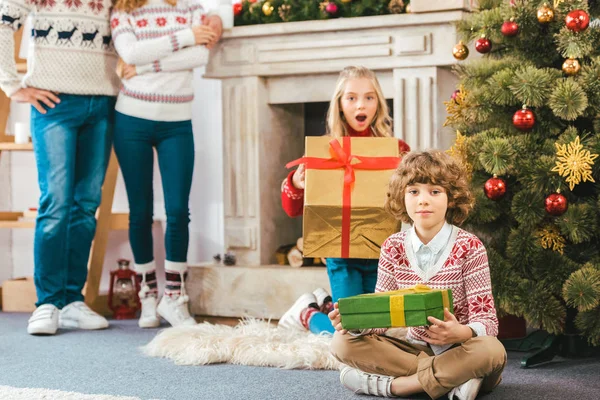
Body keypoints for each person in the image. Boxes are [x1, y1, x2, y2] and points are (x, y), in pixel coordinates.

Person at [328, 150, 507, 400]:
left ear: (451, 199)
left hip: (464, 348)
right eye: (414, 192)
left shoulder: (470, 246)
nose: (423, 200)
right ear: (403, 197)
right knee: (341, 342)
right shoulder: (393, 246)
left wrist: (461, 332)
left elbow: (488, 321)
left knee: (491, 351)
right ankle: (456, 380)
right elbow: (382, 317)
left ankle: (398, 387)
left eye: (435, 191)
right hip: (416, 352)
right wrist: (356, 324)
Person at [1, 0, 121, 335]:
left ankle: (72, 300)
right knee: (55, 202)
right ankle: (47, 303)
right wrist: (11, 85)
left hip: (103, 102)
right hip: (53, 103)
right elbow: (2, 19)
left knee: (86, 204)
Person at [110, 0, 222, 328]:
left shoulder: (189, 7)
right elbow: (129, 53)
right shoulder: (124, 9)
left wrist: (145, 66)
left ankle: (174, 298)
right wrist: (185, 37)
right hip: (131, 120)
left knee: (177, 211)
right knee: (140, 212)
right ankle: (148, 294)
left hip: (177, 122)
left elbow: (200, 55)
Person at [278, 66, 410, 335]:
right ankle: (307, 314)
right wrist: (296, 183)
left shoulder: (396, 150)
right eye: (351, 98)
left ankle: (327, 305)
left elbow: (409, 206)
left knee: (377, 329)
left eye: (369, 97)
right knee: (353, 332)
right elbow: (291, 210)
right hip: (341, 255)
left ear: (379, 103)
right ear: (339, 104)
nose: (361, 104)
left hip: (381, 254)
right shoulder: (326, 150)